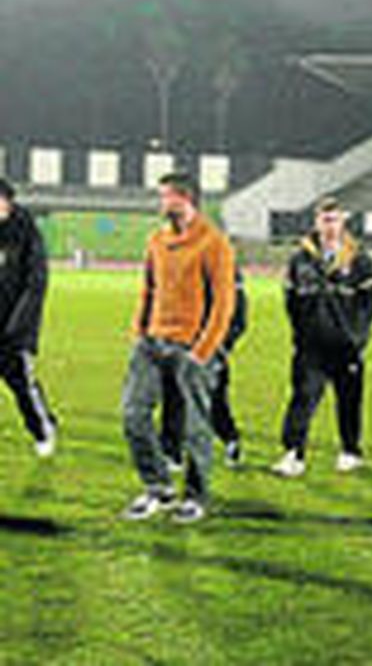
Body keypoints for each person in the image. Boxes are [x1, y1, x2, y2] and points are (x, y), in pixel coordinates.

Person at [120, 173, 237, 524]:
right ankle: (158, 488)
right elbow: (148, 289)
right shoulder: (156, 240)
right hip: (151, 343)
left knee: (194, 427)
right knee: (132, 415)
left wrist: (202, 352)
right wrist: (139, 331)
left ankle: (196, 496)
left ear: (185, 200)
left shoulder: (214, 243)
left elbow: (223, 304)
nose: (160, 204)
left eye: (165, 197)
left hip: (192, 348)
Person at [273, 197, 372, 477]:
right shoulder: (300, 258)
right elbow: (290, 299)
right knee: (303, 398)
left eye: (334, 219)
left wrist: (357, 336)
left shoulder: (359, 258)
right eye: (324, 219)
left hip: (346, 346)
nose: (330, 225)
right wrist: (300, 333)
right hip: (311, 346)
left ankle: (349, 451)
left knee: (349, 400)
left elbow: (371, 300)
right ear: (316, 222)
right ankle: (293, 454)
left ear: (343, 221)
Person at [160, 266, 246, 470]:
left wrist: (223, 345)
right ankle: (171, 453)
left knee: (215, 400)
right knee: (173, 397)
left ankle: (230, 439)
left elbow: (238, 315)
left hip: (211, 347)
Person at [0, 178, 58, 457]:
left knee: (21, 382)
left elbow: (36, 282)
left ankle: (43, 431)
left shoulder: (26, 232)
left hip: (15, 326)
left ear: (7, 201)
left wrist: (20, 325)